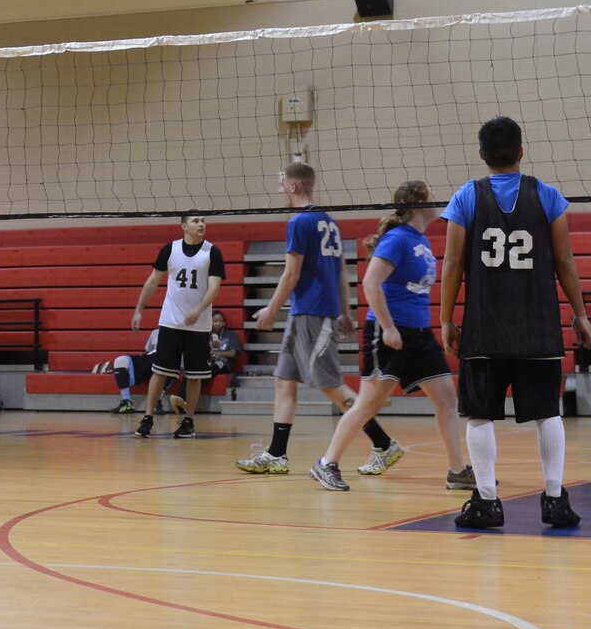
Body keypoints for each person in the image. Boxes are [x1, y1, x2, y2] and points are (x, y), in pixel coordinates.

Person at [439, 116, 591, 530]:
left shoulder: (466, 197)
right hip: (537, 326)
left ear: (481, 154)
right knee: (548, 413)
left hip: (484, 328)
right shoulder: (547, 195)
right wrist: (581, 316)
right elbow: (564, 260)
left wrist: (445, 319)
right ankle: (555, 500)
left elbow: (453, 263)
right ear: (521, 151)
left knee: (480, 415)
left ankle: (486, 503)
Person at [311, 181, 473, 492]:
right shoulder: (397, 239)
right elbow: (370, 283)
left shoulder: (420, 239)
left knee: (447, 398)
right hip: (389, 333)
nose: (436, 200)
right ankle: (326, 462)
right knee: (368, 404)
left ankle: (457, 471)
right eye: (431, 196)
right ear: (418, 204)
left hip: (419, 334)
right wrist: (388, 327)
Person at [237, 162, 395, 476]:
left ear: (294, 186)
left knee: (331, 386)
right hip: (305, 313)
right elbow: (340, 271)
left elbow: (291, 273)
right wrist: (346, 311)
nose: (279, 189)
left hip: (313, 312)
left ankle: (383, 443)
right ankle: (277, 454)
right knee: (284, 380)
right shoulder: (328, 221)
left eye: (281, 183)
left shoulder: (299, 221)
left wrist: (271, 309)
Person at [130, 214, 226, 440]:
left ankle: (188, 421)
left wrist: (198, 310)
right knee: (160, 371)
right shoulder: (170, 249)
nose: (201, 224)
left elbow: (214, 288)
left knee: (195, 375)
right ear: (184, 226)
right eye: (196, 221)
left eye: (203, 220)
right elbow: (153, 280)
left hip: (199, 325)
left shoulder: (212, 252)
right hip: (171, 321)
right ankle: (147, 418)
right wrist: (138, 310)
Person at [206, 309, 242, 400]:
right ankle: (182, 398)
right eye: (215, 321)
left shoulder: (231, 335)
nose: (218, 323)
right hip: (209, 361)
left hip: (224, 363)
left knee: (207, 369)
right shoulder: (207, 335)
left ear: (224, 323)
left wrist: (215, 352)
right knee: (196, 369)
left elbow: (232, 354)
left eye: (221, 321)